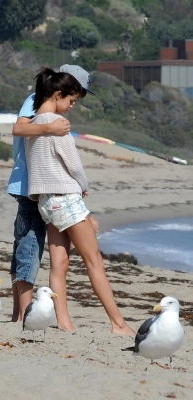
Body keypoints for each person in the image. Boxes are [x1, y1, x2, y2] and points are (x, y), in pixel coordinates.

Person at [24, 67, 136, 336]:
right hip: (66, 198)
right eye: (71, 101)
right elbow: (74, 166)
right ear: (58, 94)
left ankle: (64, 323)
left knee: (59, 265)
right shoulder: (57, 125)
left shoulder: (32, 124)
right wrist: (83, 187)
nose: (72, 106)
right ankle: (118, 324)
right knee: (94, 261)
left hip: (46, 202)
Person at [7, 65, 97, 323]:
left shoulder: (48, 106)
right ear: (62, 88)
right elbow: (19, 128)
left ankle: (18, 314)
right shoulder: (37, 101)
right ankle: (24, 314)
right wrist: (51, 129)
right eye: (74, 95)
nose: (74, 103)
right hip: (31, 186)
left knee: (24, 246)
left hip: (34, 186)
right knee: (29, 247)